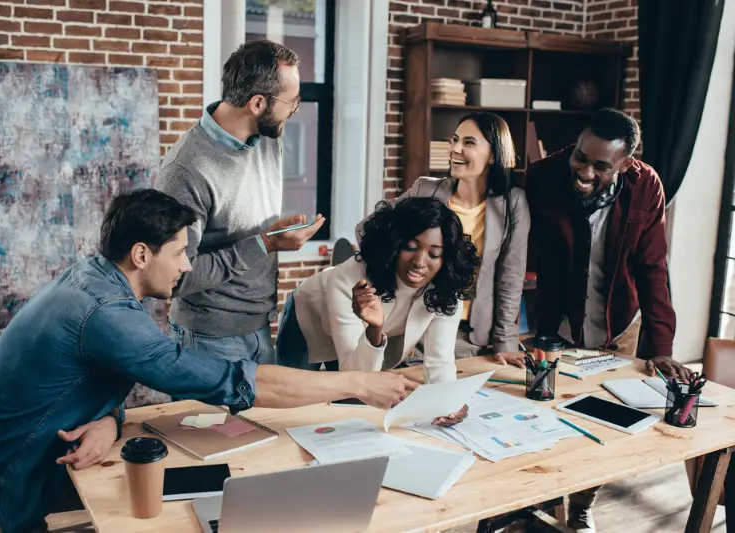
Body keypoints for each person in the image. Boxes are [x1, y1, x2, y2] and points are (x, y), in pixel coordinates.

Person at [0, 189, 416, 533]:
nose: (188, 266)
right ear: (142, 254)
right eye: (182, 252)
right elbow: (237, 383)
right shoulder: (106, 314)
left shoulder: (91, 279)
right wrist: (357, 385)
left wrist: (108, 418)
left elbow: (79, 376)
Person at [525, 108, 691, 533]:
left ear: (626, 164)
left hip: (618, 321)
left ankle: (581, 503)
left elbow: (654, 268)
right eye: (581, 157)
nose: (584, 171)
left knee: (604, 416)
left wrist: (661, 347)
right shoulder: (543, 176)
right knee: (546, 410)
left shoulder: (646, 186)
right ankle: (536, 499)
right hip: (557, 319)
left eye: (601, 166)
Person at [155, 39, 324, 365]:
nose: (294, 110)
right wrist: (265, 244)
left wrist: (272, 236)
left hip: (260, 329)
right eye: (292, 102)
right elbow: (173, 278)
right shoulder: (186, 171)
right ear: (258, 103)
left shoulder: (266, 138)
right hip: (208, 341)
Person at [277, 197, 479, 424]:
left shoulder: (446, 287)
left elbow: (439, 361)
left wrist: (448, 402)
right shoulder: (348, 278)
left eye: (434, 254)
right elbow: (353, 376)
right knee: (293, 400)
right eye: (410, 247)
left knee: (350, 404)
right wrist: (375, 328)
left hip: (359, 335)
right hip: (308, 318)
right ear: (394, 243)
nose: (420, 262)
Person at [359, 112, 530, 367]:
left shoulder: (512, 203)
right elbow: (367, 229)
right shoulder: (426, 189)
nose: (455, 149)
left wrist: (505, 341)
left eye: (469, 143)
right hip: (415, 330)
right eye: (454, 140)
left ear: (493, 155)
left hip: (470, 338)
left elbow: (510, 278)